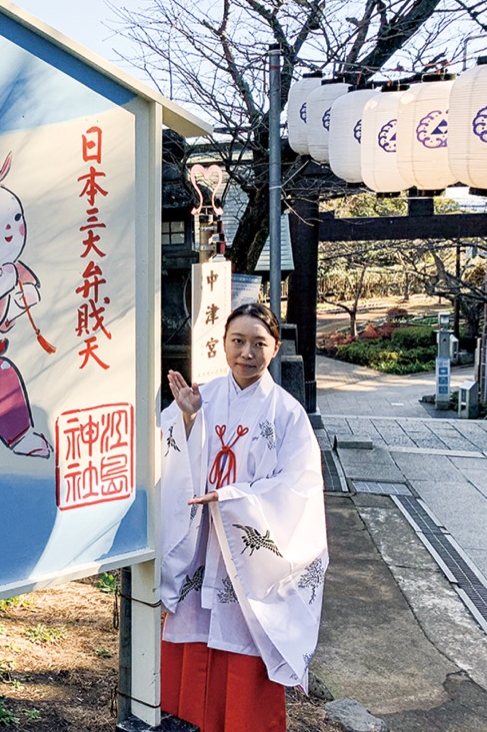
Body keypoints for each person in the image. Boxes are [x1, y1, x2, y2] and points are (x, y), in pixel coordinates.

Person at [158, 302, 328, 732]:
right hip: (201, 544)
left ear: (274, 349)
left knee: (243, 647)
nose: (246, 353)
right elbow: (169, 455)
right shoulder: (202, 396)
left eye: (258, 344)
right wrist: (189, 419)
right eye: (238, 341)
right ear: (223, 344)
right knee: (193, 635)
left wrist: (233, 500)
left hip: (249, 554)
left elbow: (298, 488)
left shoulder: (287, 414)